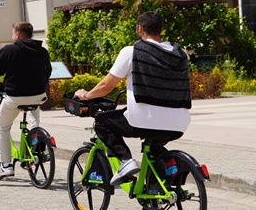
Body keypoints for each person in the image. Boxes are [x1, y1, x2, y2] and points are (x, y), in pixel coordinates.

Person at [74, 11, 191, 186]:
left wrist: (85, 95)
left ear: (139, 29)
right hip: (179, 124)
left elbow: (106, 86)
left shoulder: (132, 51)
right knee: (154, 147)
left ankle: (126, 161)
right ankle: (156, 190)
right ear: (161, 30)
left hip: (144, 121)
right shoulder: (179, 53)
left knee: (102, 122)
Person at [0, 22, 52, 179]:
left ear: (17, 35)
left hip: (15, 97)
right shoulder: (42, 51)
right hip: (38, 96)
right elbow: (48, 72)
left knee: (2, 127)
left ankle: (6, 166)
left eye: (12, 33)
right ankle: (36, 147)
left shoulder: (9, 50)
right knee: (34, 121)